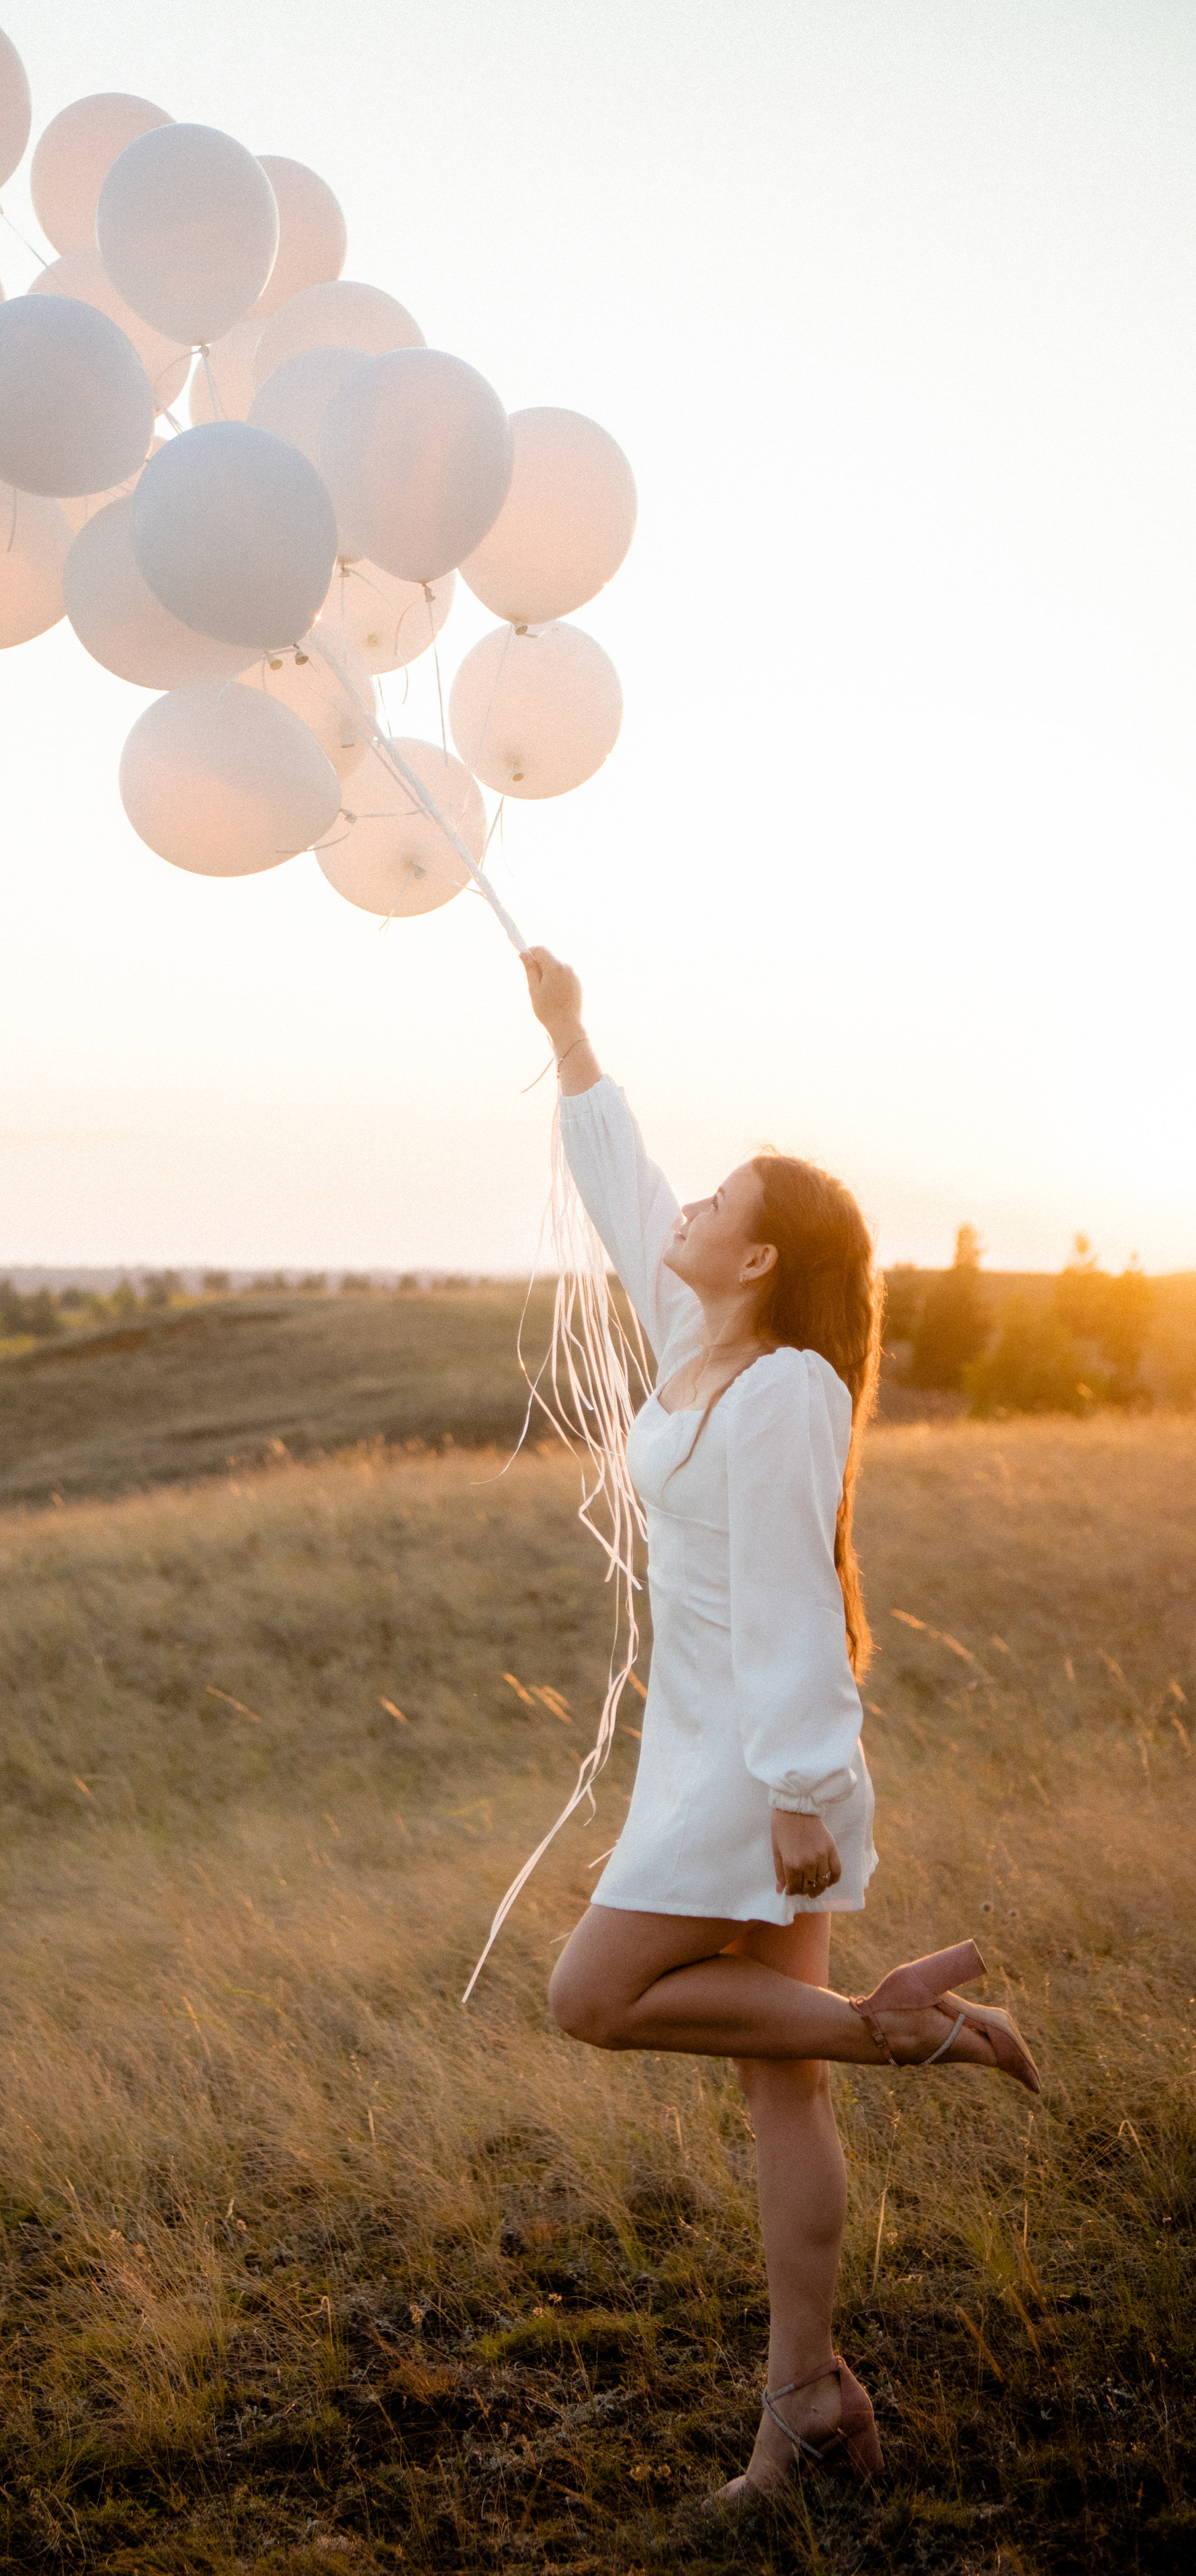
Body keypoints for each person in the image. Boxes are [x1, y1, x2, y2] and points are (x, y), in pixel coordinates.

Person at [521, 946, 1039, 2503]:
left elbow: (797, 1602)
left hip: (762, 1775)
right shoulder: (694, 1351)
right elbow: (627, 1188)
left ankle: (899, 2031)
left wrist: (807, 1790)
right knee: (778, 2089)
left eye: (718, 1201)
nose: (687, 1208)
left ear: (757, 1259)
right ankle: (799, 2406)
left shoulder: (788, 1388)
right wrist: (569, 1035)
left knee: (590, 1995)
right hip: (701, 1751)